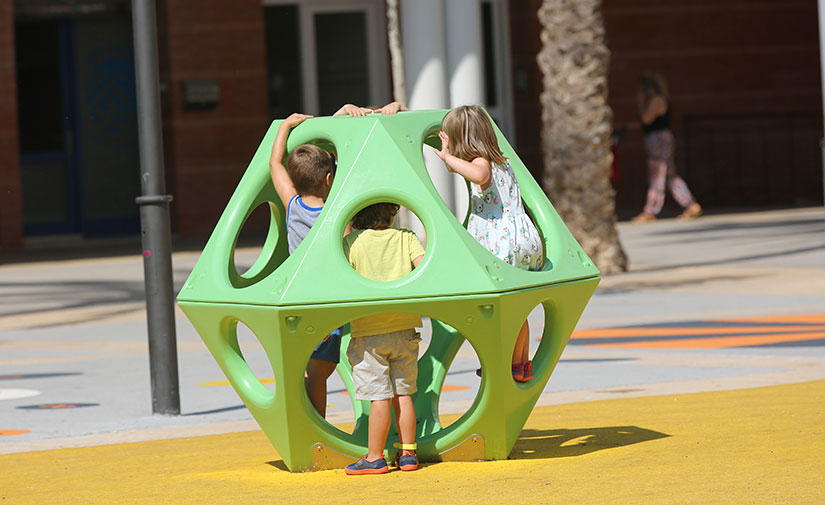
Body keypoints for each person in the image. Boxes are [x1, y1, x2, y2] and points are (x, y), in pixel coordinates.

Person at [434, 105, 543, 382]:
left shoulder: (482, 162)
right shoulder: (503, 160)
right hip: (522, 239)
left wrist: (446, 156)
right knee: (517, 306)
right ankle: (520, 364)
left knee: (497, 307)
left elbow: (480, 176)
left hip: (500, 241)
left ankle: (503, 360)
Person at [342, 203, 425, 475]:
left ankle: (375, 457)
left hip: (368, 332)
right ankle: (409, 453)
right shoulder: (406, 237)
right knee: (403, 393)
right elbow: (424, 268)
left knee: (379, 397)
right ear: (391, 213)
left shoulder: (351, 243)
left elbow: (340, 275)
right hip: (405, 327)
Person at [269, 112, 342, 418]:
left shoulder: (293, 206)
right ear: (329, 179)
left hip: (301, 298)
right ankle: (318, 423)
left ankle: (312, 424)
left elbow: (275, 164)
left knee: (312, 370)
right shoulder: (337, 211)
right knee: (320, 373)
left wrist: (285, 125)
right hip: (331, 299)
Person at [632, 71, 702, 222]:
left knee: (657, 175)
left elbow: (646, 119)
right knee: (670, 175)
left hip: (658, 139)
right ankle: (690, 204)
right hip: (660, 138)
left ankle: (650, 210)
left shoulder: (657, 99)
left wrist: (640, 102)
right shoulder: (660, 98)